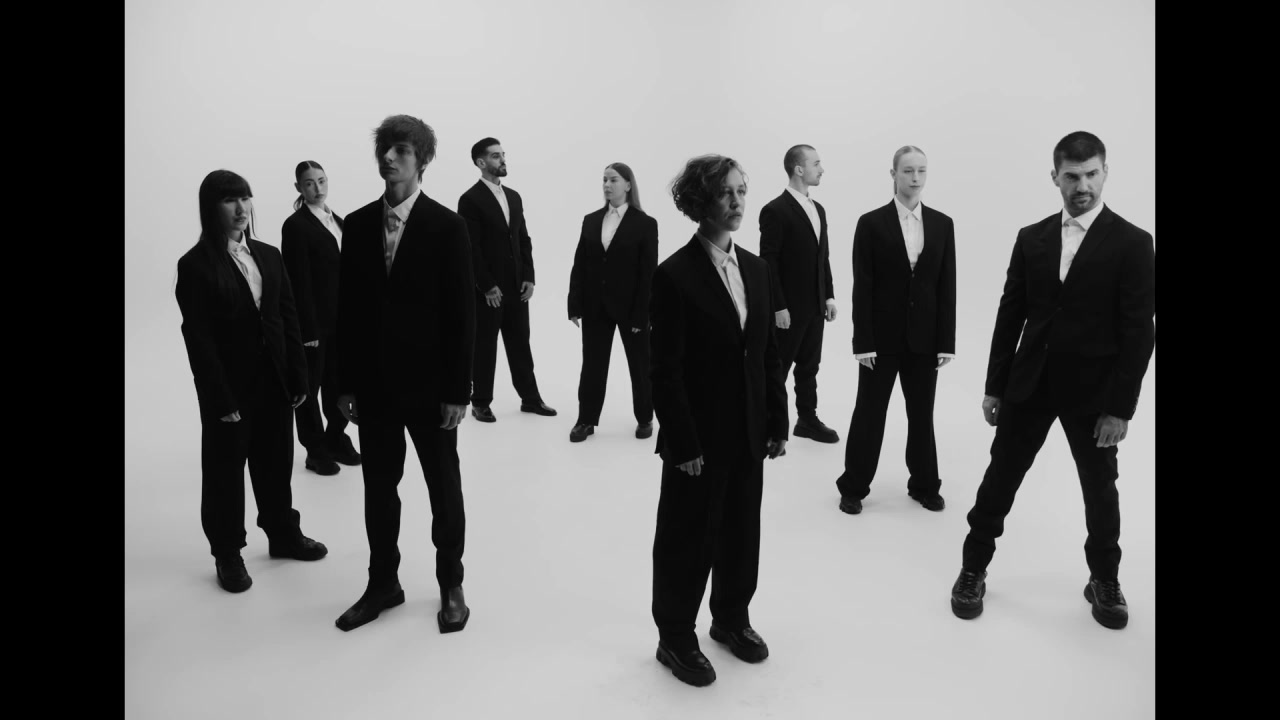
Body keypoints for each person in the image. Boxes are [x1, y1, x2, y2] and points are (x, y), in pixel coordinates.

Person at [950, 131, 1156, 630]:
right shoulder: (1032, 237)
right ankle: (973, 569)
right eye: (1071, 176)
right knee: (1000, 479)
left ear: (1105, 173)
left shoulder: (1134, 243)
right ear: (1055, 177)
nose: (1082, 185)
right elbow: (1010, 315)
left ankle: (1104, 579)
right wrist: (995, 385)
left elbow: (1139, 332)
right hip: (1030, 385)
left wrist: (1120, 409)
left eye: (1091, 174)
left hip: (1094, 395)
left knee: (1100, 491)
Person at [649, 155, 788, 687]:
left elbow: (766, 352)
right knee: (687, 538)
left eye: (741, 191)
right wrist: (683, 442)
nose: (736, 202)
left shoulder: (757, 269)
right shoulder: (674, 275)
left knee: (740, 532)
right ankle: (674, 634)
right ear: (699, 202)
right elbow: (664, 371)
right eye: (725, 193)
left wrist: (776, 419)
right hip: (698, 439)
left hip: (748, 429)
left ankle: (730, 618)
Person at [333, 115, 476, 634]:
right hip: (373, 387)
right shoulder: (357, 224)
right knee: (378, 490)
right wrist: (342, 383)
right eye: (385, 150)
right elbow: (346, 311)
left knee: (444, 489)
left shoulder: (448, 226)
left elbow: (462, 314)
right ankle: (383, 584)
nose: (389, 158)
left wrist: (458, 390)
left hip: (432, 388)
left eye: (401, 150)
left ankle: (451, 583)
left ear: (422, 160)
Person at [176, 169, 329, 594]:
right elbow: (199, 341)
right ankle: (227, 552)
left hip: (275, 381)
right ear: (211, 208)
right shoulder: (195, 265)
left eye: (245, 198)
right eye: (230, 200)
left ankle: (283, 534)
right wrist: (219, 399)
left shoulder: (269, 254)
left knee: (275, 463)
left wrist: (299, 376)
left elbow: (287, 317)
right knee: (225, 472)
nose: (241, 208)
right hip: (229, 388)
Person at [835, 146, 957, 515]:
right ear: (894, 174)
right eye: (908, 171)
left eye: (921, 170)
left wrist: (946, 342)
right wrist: (863, 342)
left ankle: (924, 485)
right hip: (881, 340)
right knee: (869, 414)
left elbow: (946, 285)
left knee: (922, 416)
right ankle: (853, 487)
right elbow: (863, 285)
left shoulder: (943, 224)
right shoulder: (871, 223)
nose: (915, 178)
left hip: (925, 340)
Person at [458, 137, 556, 422]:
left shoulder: (513, 196)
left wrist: (529, 276)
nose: (502, 160)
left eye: (503, 154)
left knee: (520, 343)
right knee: (485, 346)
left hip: (516, 286)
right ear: (481, 162)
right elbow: (471, 247)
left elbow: (523, 238)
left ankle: (530, 399)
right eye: (495, 156)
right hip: (489, 289)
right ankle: (480, 402)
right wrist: (487, 285)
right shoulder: (470, 199)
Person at [566, 163, 659, 442]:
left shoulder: (645, 223)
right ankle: (586, 420)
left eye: (613, 180)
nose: (607, 185)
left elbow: (648, 273)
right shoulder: (591, 220)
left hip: (632, 309)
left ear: (628, 185)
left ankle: (645, 417)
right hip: (595, 306)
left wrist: (642, 314)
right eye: (604, 180)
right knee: (592, 366)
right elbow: (580, 264)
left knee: (640, 367)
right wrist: (574, 304)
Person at [281, 160, 360, 476]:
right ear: (299, 188)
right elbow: (296, 279)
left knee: (341, 383)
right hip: (314, 324)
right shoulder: (296, 225)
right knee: (309, 388)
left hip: (344, 322)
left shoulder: (339, 221)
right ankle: (315, 450)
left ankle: (336, 438)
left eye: (322, 180)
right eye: (309, 183)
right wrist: (306, 328)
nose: (318, 188)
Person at [758, 144, 839, 444]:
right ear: (799, 169)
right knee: (777, 368)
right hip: (788, 310)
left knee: (809, 367)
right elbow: (768, 262)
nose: (822, 169)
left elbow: (823, 256)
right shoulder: (775, 210)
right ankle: (765, 422)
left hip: (815, 305)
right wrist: (778, 306)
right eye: (816, 164)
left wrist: (829, 296)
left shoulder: (819, 209)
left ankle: (807, 420)